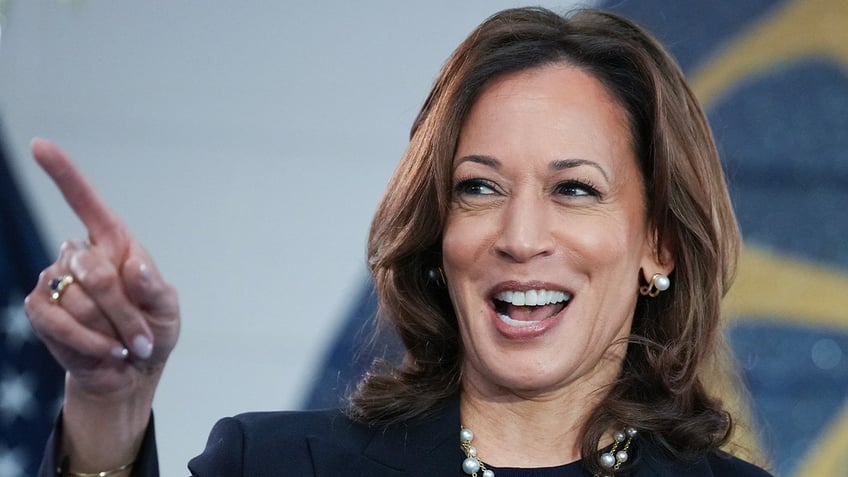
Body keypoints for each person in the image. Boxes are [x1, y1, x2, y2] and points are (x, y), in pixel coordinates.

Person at [27, 6, 774, 477]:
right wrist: (107, 409)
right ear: (437, 234)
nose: (518, 236)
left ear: (660, 244)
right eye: (478, 187)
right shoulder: (277, 466)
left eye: (573, 189)